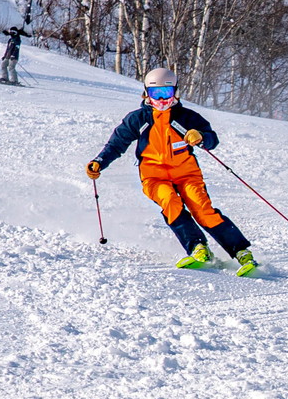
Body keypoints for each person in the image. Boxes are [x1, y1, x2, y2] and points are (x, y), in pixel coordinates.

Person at [86, 67, 259, 274]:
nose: (161, 99)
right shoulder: (138, 119)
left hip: (187, 173)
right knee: (170, 202)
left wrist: (201, 137)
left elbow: (212, 139)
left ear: (176, 92)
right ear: (146, 94)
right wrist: (99, 161)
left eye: (166, 93)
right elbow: (116, 144)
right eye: (155, 94)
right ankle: (197, 248)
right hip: (154, 176)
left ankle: (241, 252)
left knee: (202, 209)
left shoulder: (186, 117)